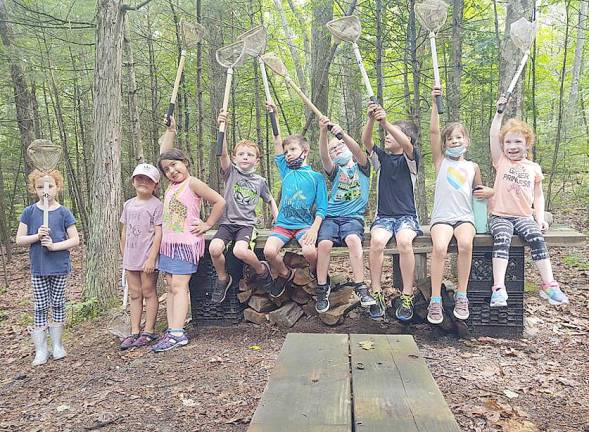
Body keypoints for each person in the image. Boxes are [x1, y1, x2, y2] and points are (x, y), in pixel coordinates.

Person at [153, 116, 225, 352]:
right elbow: (164, 154)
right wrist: (171, 130)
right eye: (167, 170)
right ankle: (174, 326)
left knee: (179, 286)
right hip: (169, 244)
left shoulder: (192, 183)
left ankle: (177, 333)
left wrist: (207, 224)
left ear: (185, 162)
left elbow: (219, 201)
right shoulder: (171, 187)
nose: (172, 171)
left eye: (176, 165)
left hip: (185, 243)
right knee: (170, 285)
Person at [488, 96, 568, 307]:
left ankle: (549, 285)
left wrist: (539, 218)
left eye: (518, 142)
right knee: (503, 238)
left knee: (536, 236)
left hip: (523, 216)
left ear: (527, 144)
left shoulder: (533, 168)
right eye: (508, 142)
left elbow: (539, 196)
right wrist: (499, 113)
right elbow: (493, 134)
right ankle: (498, 288)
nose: (512, 146)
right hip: (500, 216)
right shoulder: (501, 161)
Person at [427, 87, 494, 324]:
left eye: (459, 137)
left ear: (466, 140)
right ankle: (435, 299)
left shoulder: (472, 166)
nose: (455, 141)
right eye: (450, 138)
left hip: (465, 216)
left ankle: (462, 294)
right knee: (440, 248)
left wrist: (491, 193)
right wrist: (436, 103)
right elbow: (434, 131)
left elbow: (479, 192)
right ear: (445, 144)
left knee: (466, 244)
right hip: (442, 217)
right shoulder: (440, 161)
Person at [209, 110, 278, 303]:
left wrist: (276, 215)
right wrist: (222, 125)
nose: (245, 157)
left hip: (246, 225)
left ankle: (261, 269)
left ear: (257, 159)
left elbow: (270, 199)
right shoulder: (231, 173)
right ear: (235, 157)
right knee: (214, 248)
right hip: (227, 223)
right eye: (241, 154)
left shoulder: (259, 181)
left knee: (240, 251)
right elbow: (222, 154)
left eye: (250, 155)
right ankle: (223, 278)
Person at [361, 103, 421, 321]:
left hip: (407, 217)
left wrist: (386, 122)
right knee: (377, 243)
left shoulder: (411, 159)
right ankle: (376, 292)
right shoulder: (382, 159)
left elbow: (406, 144)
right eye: (386, 132)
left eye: (391, 133)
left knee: (405, 242)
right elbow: (366, 142)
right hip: (384, 217)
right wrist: (371, 119)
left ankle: (407, 295)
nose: (387, 135)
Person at [263, 103, 328, 298]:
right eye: (286, 151)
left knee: (310, 253)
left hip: (304, 226)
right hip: (283, 225)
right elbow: (276, 140)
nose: (288, 153)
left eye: (292, 149)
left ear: (305, 152)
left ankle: (315, 272)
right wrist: (273, 115)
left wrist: (315, 229)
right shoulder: (286, 170)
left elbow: (322, 208)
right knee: (268, 251)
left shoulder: (316, 177)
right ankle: (285, 274)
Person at [16, 168, 79, 366]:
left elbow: (75, 239)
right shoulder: (29, 212)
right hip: (39, 268)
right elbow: (19, 240)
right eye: (40, 187)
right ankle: (41, 349)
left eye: (50, 186)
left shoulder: (63, 212)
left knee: (58, 303)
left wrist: (54, 246)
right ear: (34, 189)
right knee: (41, 306)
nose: (46, 190)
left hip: (59, 266)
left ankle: (58, 345)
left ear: (57, 187)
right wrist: (36, 236)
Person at [314, 116, 375, 313]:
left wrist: (341, 134)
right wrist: (324, 132)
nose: (337, 148)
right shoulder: (335, 171)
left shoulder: (362, 167)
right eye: (333, 149)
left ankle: (361, 286)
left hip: (353, 218)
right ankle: (322, 288)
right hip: (331, 217)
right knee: (323, 244)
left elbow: (358, 150)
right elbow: (324, 157)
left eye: (339, 145)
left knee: (353, 241)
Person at [119, 163, 163, 349]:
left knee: (148, 291)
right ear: (133, 181)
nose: (143, 182)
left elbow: (158, 233)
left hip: (147, 258)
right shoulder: (128, 205)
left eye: (148, 180)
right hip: (131, 257)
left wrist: (152, 258)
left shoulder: (157, 205)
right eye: (140, 178)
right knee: (135, 293)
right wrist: (124, 255)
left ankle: (149, 330)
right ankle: (134, 330)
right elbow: (124, 232)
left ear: (155, 185)